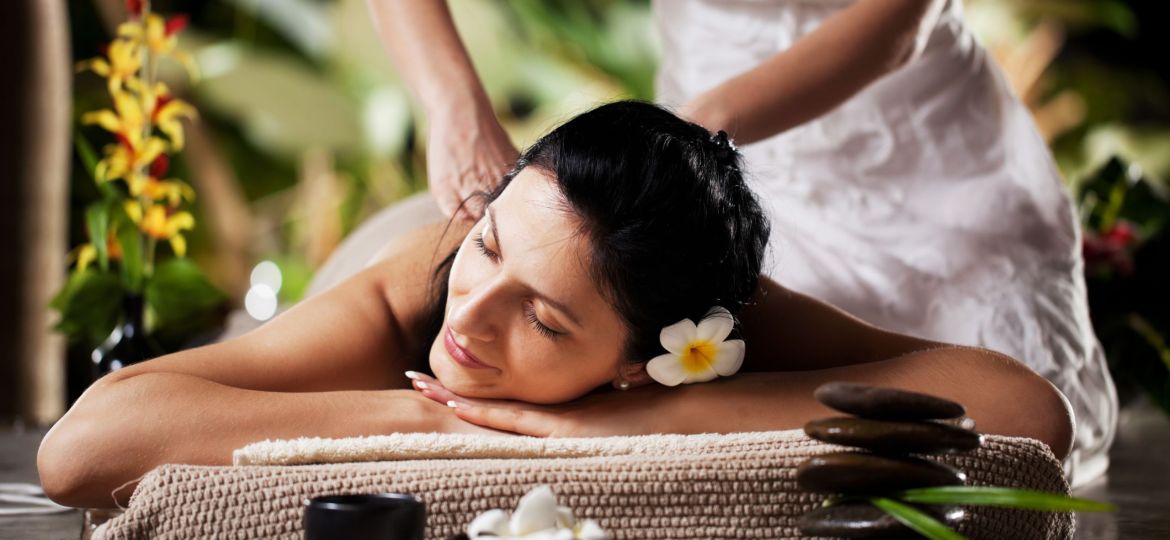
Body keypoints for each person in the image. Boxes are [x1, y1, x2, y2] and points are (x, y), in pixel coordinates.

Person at [38, 101, 1072, 510]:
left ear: (646, 355)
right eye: (496, 252)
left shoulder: (701, 316)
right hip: (391, 250)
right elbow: (82, 451)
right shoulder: (439, 278)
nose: (474, 322)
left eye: (543, 319)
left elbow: (1024, 410)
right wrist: (444, 422)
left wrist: (614, 423)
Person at [365, 0, 1116, 487]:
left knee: (976, 458)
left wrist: (690, 150)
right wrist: (451, 101)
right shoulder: (484, 269)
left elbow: (1027, 418)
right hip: (687, 153)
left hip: (917, 155)